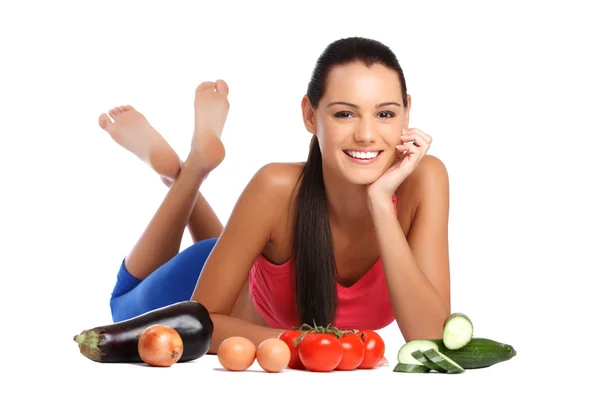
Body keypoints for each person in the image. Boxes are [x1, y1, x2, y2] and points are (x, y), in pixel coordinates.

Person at [98, 37, 451, 355]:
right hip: (200, 281)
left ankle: (182, 169)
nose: (366, 134)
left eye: (385, 114)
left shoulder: (424, 180)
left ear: (407, 112)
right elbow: (202, 318)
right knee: (122, 305)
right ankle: (191, 171)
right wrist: (307, 344)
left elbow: (433, 339)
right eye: (345, 113)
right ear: (310, 115)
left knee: (226, 245)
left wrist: (380, 203)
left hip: (242, 255)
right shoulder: (275, 186)